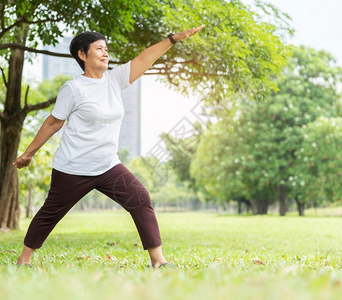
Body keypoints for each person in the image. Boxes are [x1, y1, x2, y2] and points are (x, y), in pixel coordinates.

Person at [14, 24, 205, 269]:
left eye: (106, 49)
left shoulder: (113, 80)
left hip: (107, 166)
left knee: (140, 198)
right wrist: (28, 153)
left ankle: (158, 262)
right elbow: (53, 122)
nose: (106, 53)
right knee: (51, 213)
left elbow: (144, 58)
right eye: (99, 49)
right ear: (82, 55)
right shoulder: (73, 88)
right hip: (73, 167)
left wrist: (172, 39)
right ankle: (24, 259)